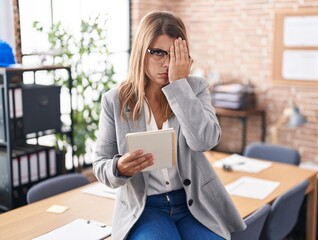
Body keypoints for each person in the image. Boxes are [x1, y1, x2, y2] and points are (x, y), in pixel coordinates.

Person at [92, 11, 246, 240]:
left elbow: (205, 141)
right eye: (158, 53)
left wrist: (178, 86)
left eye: (174, 55)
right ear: (140, 53)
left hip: (193, 203)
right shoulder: (115, 100)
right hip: (146, 208)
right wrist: (119, 168)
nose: (166, 63)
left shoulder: (195, 89)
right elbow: (100, 165)